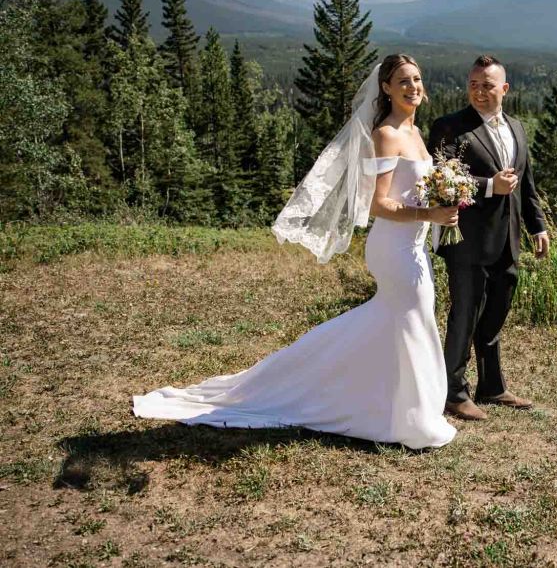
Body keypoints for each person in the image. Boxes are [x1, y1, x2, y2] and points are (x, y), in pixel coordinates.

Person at [133, 55, 458, 450]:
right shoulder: (387, 134)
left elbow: (414, 189)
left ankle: (385, 403)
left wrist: (441, 207)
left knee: (394, 322)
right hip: (394, 248)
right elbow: (377, 205)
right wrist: (430, 212)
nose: (413, 87)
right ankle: (412, 420)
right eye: (403, 81)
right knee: (412, 319)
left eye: (418, 79)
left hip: (414, 246)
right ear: (386, 88)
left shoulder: (416, 132)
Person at [428, 55, 549, 421]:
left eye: (488, 85)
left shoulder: (518, 127)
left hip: (508, 240)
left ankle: (492, 386)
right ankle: (453, 391)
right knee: (465, 315)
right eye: (474, 85)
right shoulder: (449, 126)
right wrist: (488, 187)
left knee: (495, 314)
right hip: (467, 241)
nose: (479, 92)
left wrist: (537, 225)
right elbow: (441, 178)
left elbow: (526, 184)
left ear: (505, 89)